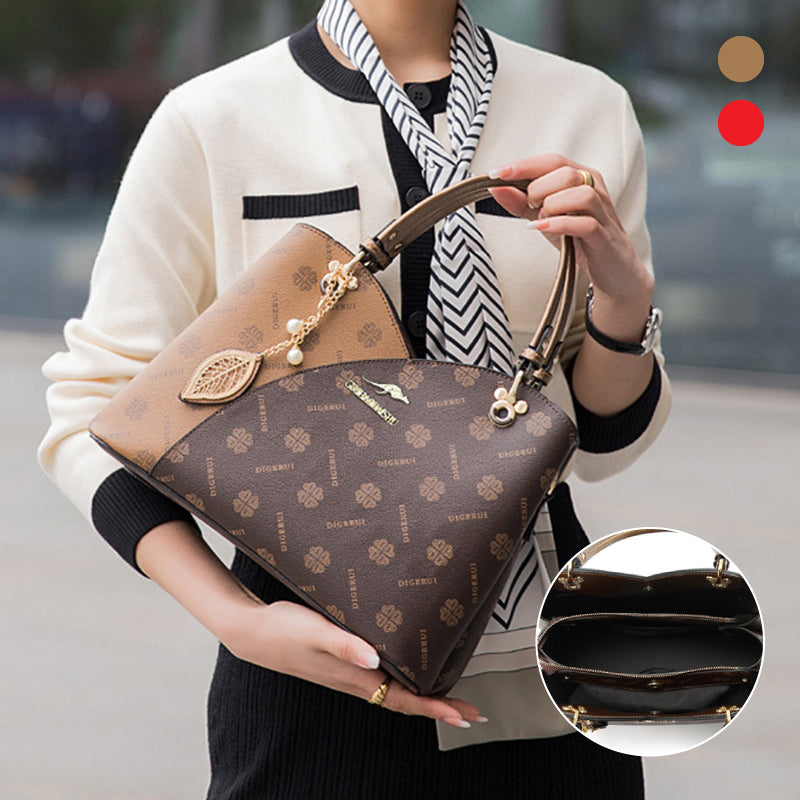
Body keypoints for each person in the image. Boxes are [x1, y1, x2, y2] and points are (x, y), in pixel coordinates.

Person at [38, 1, 670, 797]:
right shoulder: (213, 119)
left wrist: (623, 300)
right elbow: (91, 407)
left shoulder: (586, 106)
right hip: (309, 645)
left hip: (552, 633)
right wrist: (239, 620)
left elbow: (604, 441)